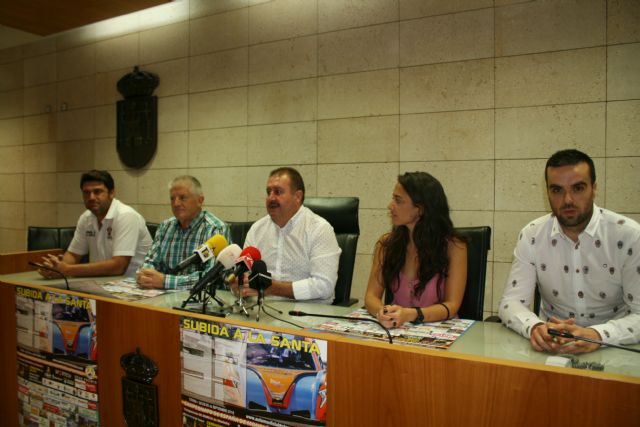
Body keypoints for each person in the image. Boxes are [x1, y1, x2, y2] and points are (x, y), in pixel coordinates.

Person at [499, 149, 640, 354]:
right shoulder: (532, 235)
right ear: (547, 192)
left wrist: (597, 335)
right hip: (552, 346)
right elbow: (510, 303)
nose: (567, 200)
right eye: (557, 190)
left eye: (578, 188)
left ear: (594, 188)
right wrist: (535, 327)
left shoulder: (629, 236)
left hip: (615, 348)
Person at [364, 172, 467, 328]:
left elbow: (452, 306)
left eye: (398, 200)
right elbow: (371, 296)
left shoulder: (455, 246)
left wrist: (411, 314)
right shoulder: (386, 244)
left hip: (438, 329)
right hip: (397, 327)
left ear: (420, 209)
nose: (390, 206)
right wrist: (384, 312)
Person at [233, 167, 341, 303]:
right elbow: (244, 275)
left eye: (278, 192)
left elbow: (324, 286)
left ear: (297, 196)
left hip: (306, 312)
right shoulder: (257, 229)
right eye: (268, 192)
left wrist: (271, 288)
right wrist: (238, 285)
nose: (271, 198)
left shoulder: (319, 229)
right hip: (260, 309)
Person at [37, 170, 152, 278]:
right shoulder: (86, 218)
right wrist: (55, 268)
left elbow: (119, 266)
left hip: (134, 284)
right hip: (101, 282)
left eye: (97, 192)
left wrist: (67, 270)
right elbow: (73, 255)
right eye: (86, 193)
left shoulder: (126, 215)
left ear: (112, 193)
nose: (91, 197)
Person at [137, 175, 230, 290]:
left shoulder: (216, 229)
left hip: (199, 297)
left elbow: (213, 278)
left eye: (182, 198)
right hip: (161, 295)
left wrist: (166, 282)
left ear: (200, 201)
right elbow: (150, 261)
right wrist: (146, 275)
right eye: (172, 199)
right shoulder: (165, 227)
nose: (176, 203)